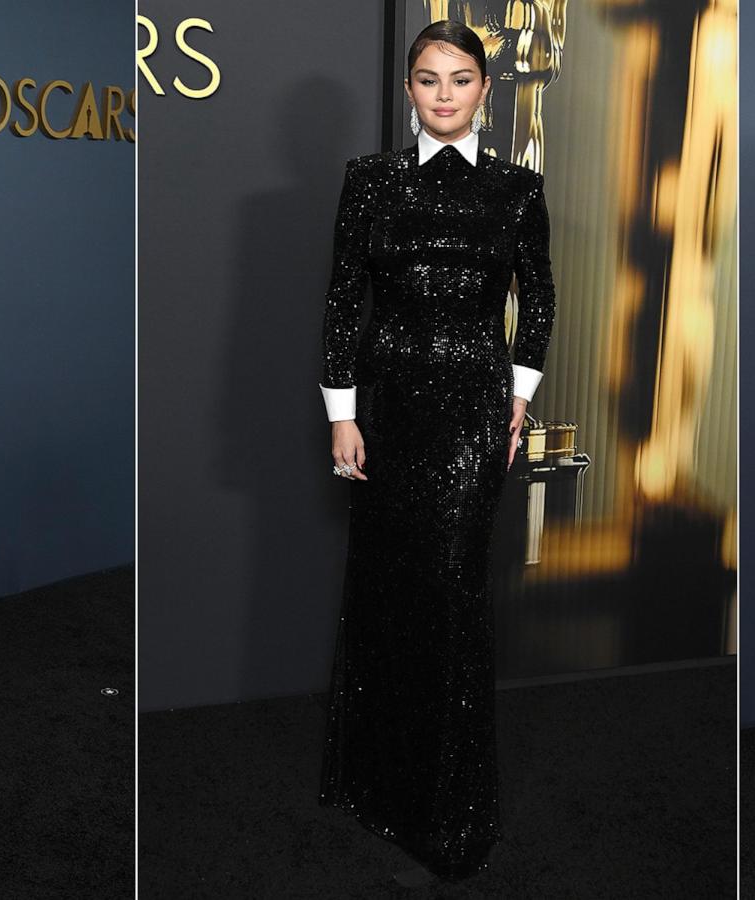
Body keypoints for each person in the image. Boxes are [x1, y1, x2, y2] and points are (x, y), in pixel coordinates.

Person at [315, 19, 555, 885]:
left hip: (470, 417)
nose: (444, 94)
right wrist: (342, 412)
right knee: (385, 585)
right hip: (385, 408)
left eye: (460, 79)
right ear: (409, 90)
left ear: (486, 89)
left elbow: (542, 302)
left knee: (450, 594)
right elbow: (345, 299)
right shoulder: (369, 181)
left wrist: (518, 400)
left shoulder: (519, 190)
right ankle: (370, 782)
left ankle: (448, 812)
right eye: (428, 80)